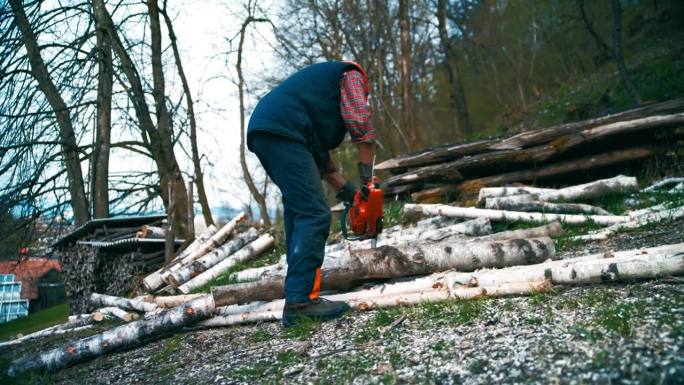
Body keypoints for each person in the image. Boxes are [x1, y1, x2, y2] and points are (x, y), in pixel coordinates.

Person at [247, 61, 376, 327]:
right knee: (314, 212)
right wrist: (368, 183)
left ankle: (297, 295)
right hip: (281, 129)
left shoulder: (313, 100)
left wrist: (350, 192)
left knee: (299, 210)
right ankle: (301, 302)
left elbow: (322, 164)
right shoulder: (352, 75)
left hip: (267, 129)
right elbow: (360, 123)